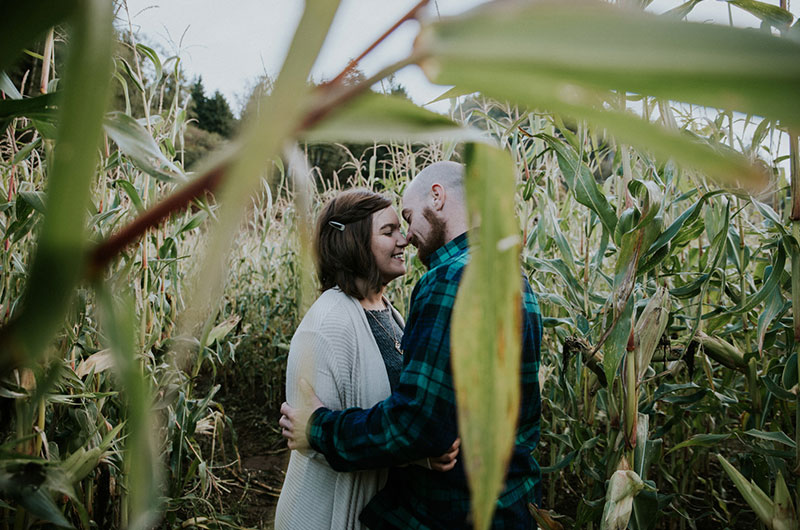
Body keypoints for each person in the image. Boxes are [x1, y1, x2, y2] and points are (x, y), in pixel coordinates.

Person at [280, 161, 543, 529]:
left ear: (437, 197)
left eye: (406, 218)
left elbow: (419, 424)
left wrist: (319, 427)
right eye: (391, 229)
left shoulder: (451, 278)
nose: (407, 236)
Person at [274, 188, 460, 530]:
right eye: (388, 232)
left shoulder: (388, 313)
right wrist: (418, 453)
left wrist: (421, 448)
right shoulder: (328, 325)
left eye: (399, 229)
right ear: (352, 243)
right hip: (326, 514)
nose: (404, 239)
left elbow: (391, 416)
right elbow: (311, 439)